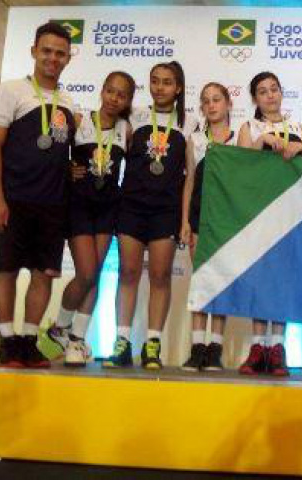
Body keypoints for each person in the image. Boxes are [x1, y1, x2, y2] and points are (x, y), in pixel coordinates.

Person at [0, 22, 75, 368]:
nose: (52, 59)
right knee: (7, 271)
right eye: (47, 51)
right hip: (14, 199)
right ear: (34, 52)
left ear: (68, 58)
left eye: (60, 53)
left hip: (53, 204)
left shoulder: (68, 101)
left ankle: (28, 340)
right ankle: (8, 342)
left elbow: (60, 151)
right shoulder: (11, 91)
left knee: (44, 275)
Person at [103, 61, 197, 370]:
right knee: (128, 274)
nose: (160, 87)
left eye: (167, 82)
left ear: (178, 88)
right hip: (131, 206)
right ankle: (122, 341)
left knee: (159, 276)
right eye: (155, 81)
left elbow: (190, 177)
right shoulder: (134, 117)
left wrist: (184, 220)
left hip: (165, 210)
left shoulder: (189, 122)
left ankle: (152, 344)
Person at [44, 71, 135, 367]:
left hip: (108, 208)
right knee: (85, 272)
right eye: (110, 91)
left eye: (121, 95)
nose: (114, 98)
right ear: (102, 91)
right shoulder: (81, 120)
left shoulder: (126, 129)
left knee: (94, 274)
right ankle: (60, 325)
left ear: (127, 101)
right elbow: (56, 155)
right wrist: (67, 168)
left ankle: (77, 340)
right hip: (79, 205)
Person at [236, 71, 302, 377]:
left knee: (283, 279)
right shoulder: (248, 126)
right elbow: (237, 165)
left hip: (290, 213)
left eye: (274, 89)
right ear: (254, 98)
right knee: (259, 279)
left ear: (281, 93)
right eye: (263, 91)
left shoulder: (298, 127)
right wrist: (262, 140)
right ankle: (257, 347)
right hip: (258, 212)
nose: (269, 95)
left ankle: (277, 347)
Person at [182, 82, 236, 372]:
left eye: (217, 99)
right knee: (201, 282)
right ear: (201, 107)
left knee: (221, 283)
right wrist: (184, 222)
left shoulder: (240, 138)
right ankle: (196, 347)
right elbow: (189, 181)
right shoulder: (195, 140)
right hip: (200, 217)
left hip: (228, 221)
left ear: (228, 103)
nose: (212, 105)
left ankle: (215, 347)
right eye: (206, 101)